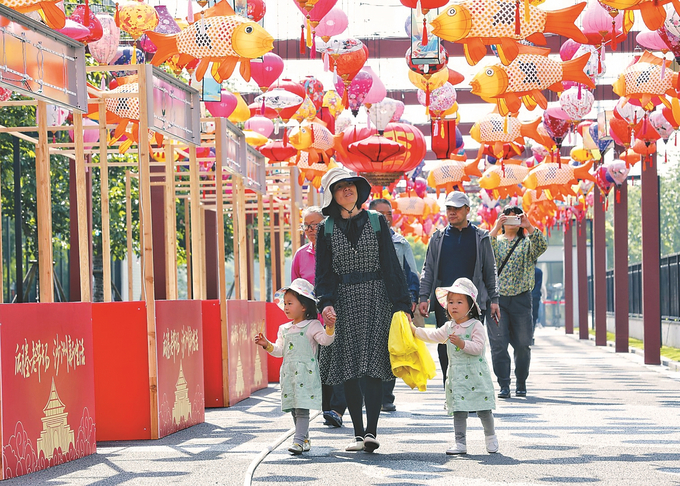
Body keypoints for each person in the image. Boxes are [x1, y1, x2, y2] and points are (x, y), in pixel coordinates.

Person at [315, 167, 412, 453]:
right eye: (340, 187)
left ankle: (371, 432)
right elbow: (324, 273)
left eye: (351, 185)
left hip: (377, 298)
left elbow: (391, 266)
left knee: (372, 367)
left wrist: (401, 306)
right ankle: (357, 434)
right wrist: (326, 303)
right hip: (343, 301)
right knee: (349, 368)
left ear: (359, 190)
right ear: (332, 194)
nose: (347, 190)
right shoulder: (326, 228)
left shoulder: (377, 221)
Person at [418, 191, 500, 386]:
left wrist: (494, 299)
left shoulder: (481, 237)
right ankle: (451, 388)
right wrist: (423, 296)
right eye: (449, 208)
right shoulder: (438, 237)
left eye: (456, 208)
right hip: (443, 301)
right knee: (445, 345)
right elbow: (427, 268)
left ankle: (471, 388)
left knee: (472, 345)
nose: (452, 212)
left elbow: (490, 270)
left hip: (472, 303)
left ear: (467, 210)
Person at [411, 278, 498, 455]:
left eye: (459, 302)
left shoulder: (476, 326)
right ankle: (460, 442)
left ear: (471, 306)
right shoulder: (449, 326)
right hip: (457, 377)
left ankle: (491, 437)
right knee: (459, 409)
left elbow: (478, 348)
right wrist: (413, 330)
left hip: (476, 376)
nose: (454, 306)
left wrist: (461, 342)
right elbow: (433, 335)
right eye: (451, 302)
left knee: (483, 408)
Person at [254, 278, 335, 455]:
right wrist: (266, 344)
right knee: (293, 408)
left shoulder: (312, 325)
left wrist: (330, 328)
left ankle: (298, 441)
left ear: (304, 306)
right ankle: (304, 439)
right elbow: (279, 350)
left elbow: (325, 341)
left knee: (302, 408)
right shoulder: (284, 328)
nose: (286, 307)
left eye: (290, 303)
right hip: (289, 374)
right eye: (285, 303)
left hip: (306, 375)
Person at [292, 206, 347, 428]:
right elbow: (295, 289)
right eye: (306, 226)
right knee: (318, 363)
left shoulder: (337, 249)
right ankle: (326, 408)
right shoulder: (300, 255)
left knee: (338, 361)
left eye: (314, 224)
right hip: (311, 320)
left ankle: (337, 408)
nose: (310, 230)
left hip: (335, 314)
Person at [488, 205, 547, 399]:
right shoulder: (496, 241)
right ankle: (504, 384)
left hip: (521, 298)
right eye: (507, 217)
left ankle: (521, 381)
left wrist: (529, 226)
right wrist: (496, 227)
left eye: (516, 218)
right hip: (498, 299)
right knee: (498, 344)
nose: (512, 221)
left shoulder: (526, 243)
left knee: (523, 344)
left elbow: (541, 246)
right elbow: (484, 250)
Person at [368, 198, 420, 413]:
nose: (386, 218)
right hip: (367, 302)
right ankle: (368, 394)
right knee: (368, 348)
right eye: (380, 214)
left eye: (388, 214)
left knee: (391, 347)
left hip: (393, 304)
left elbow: (412, 274)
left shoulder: (401, 242)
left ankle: (386, 397)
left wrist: (412, 300)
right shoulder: (361, 241)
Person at [532, 266, 543, 345]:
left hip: (524, 297)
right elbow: (538, 285)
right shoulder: (539, 272)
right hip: (535, 297)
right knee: (534, 316)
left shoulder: (524, 270)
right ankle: (531, 335)